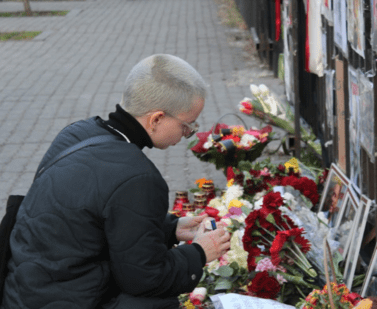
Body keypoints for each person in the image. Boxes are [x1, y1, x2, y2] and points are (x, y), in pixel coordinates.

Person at [1, 54, 231, 309]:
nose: (189, 134)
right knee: (155, 302)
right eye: (187, 126)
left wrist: (170, 228)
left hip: (24, 289)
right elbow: (146, 279)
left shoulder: (77, 133)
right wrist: (198, 253)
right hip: (68, 298)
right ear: (156, 119)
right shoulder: (139, 177)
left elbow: (85, 219)